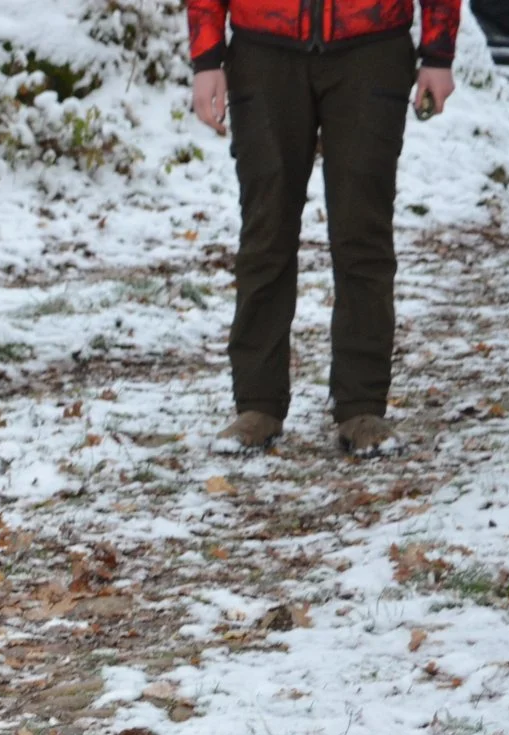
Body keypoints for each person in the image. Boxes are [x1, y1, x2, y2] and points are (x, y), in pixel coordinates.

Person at [187, 0, 457, 456]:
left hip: (372, 47)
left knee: (363, 233)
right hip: (263, 49)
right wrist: (206, 57)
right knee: (266, 231)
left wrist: (438, 51)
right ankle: (257, 405)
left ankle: (362, 407)